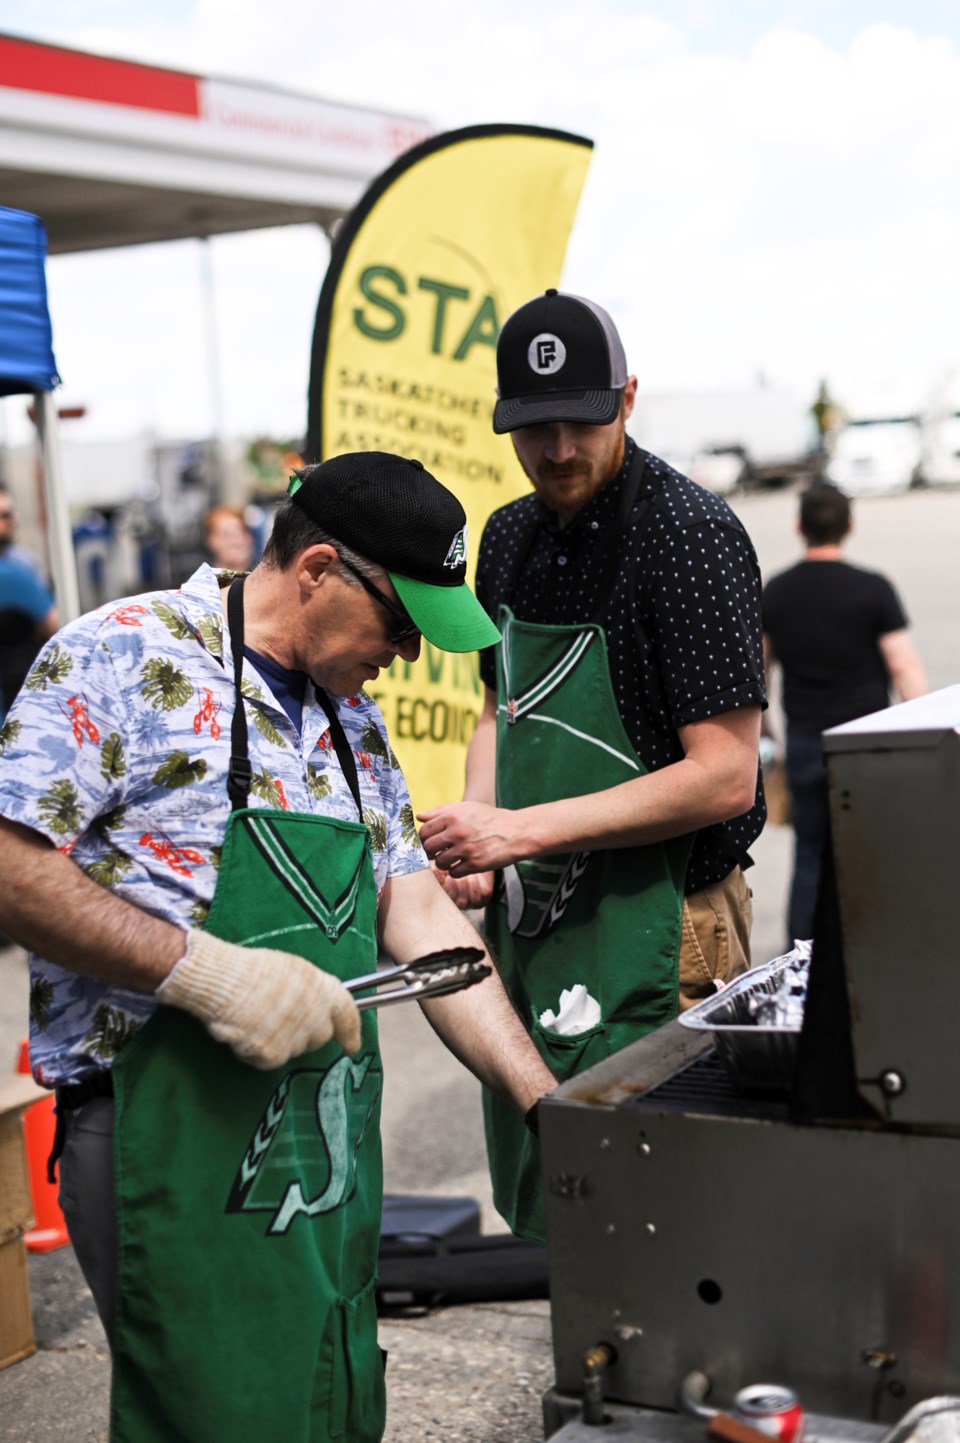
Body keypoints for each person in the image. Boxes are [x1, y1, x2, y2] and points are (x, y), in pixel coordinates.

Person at [0, 451, 555, 1443]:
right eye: (400, 624)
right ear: (318, 571)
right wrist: (201, 972)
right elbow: (9, 865)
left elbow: (421, 921)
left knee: (326, 1394)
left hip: (319, 1144)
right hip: (162, 1131)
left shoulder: (352, 723)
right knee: (220, 1412)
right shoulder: (123, 657)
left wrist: (544, 1103)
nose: (410, 653)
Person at [417, 290, 766, 1241]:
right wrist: (478, 830)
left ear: (630, 398)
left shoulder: (685, 536)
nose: (558, 450)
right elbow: (501, 704)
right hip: (543, 921)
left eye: (582, 420)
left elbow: (725, 774)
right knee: (566, 1196)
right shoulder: (506, 538)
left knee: (668, 1215)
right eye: (534, 427)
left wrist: (519, 829)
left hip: (666, 922)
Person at [762, 481, 927, 945]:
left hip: (806, 746)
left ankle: (801, 959)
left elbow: (758, 677)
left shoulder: (778, 590)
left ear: (799, 527)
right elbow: (904, 668)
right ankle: (876, 950)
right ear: (849, 525)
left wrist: (767, 733)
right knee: (871, 854)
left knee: (811, 855)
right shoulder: (872, 589)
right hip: (867, 747)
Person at [0, 486, 57, 720]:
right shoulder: (12, 574)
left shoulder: (21, 561)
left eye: (10, 514)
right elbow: (57, 628)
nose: (12, 521)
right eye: (3, 516)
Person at [203, 501, 257, 572]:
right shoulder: (199, 580)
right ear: (211, 540)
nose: (235, 541)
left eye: (240, 532)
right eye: (227, 534)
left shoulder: (266, 577)